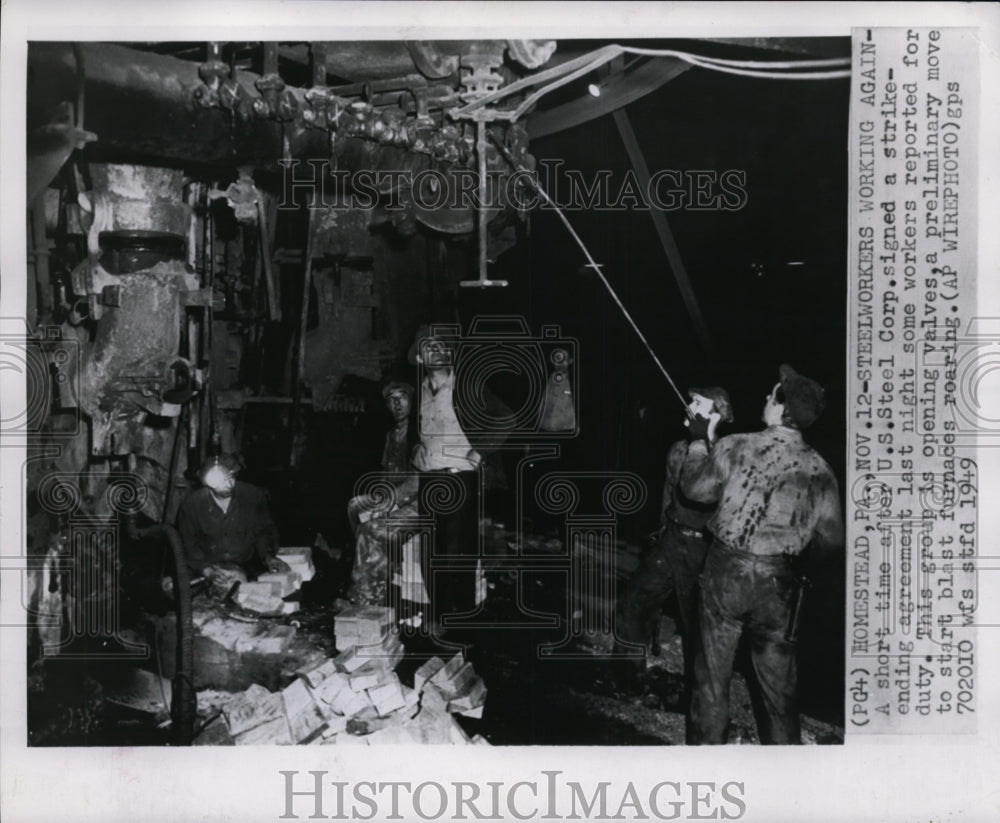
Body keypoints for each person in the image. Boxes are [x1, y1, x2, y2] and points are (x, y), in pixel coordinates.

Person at [680, 365, 844, 744]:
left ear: (781, 410)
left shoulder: (736, 445)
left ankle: (705, 767)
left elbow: (695, 491)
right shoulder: (822, 471)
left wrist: (697, 441)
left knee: (712, 680)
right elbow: (832, 543)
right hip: (779, 584)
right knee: (779, 692)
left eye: (771, 396)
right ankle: (783, 777)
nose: (765, 400)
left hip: (726, 572)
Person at [614, 387, 734, 693]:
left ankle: (700, 697)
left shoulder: (727, 456)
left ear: (716, 414)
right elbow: (667, 497)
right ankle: (626, 678)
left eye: (698, 403)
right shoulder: (678, 450)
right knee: (635, 600)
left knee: (696, 625)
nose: (689, 405)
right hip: (670, 539)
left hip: (702, 550)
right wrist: (659, 533)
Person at [408, 324, 511, 640]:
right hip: (430, 481)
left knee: (457, 553)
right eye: (429, 346)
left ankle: (463, 626)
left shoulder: (466, 386)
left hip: (460, 479)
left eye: (441, 346)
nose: (436, 351)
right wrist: (414, 450)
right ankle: (440, 616)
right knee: (431, 552)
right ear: (418, 357)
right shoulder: (420, 391)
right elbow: (415, 435)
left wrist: (480, 450)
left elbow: (506, 417)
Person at [345, 380, 423, 608]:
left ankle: (367, 595)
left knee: (372, 527)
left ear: (413, 402)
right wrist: (378, 499)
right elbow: (385, 473)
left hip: (418, 502)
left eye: (403, 398)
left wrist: (389, 503)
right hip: (396, 497)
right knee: (356, 506)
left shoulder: (418, 433)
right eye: (392, 399)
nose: (397, 403)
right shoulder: (392, 434)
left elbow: (420, 479)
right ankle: (376, 566)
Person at [175, 454, 287, 591]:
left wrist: (269, 557)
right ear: (207, 481)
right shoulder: (192, 505)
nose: (230, 485)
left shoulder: (252, 496)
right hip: (207, 565)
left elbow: (264, 531)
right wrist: (207, 570)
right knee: (172, 588)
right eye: (223, 481)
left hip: (245, 564)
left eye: (233, 478)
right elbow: (188, 545)